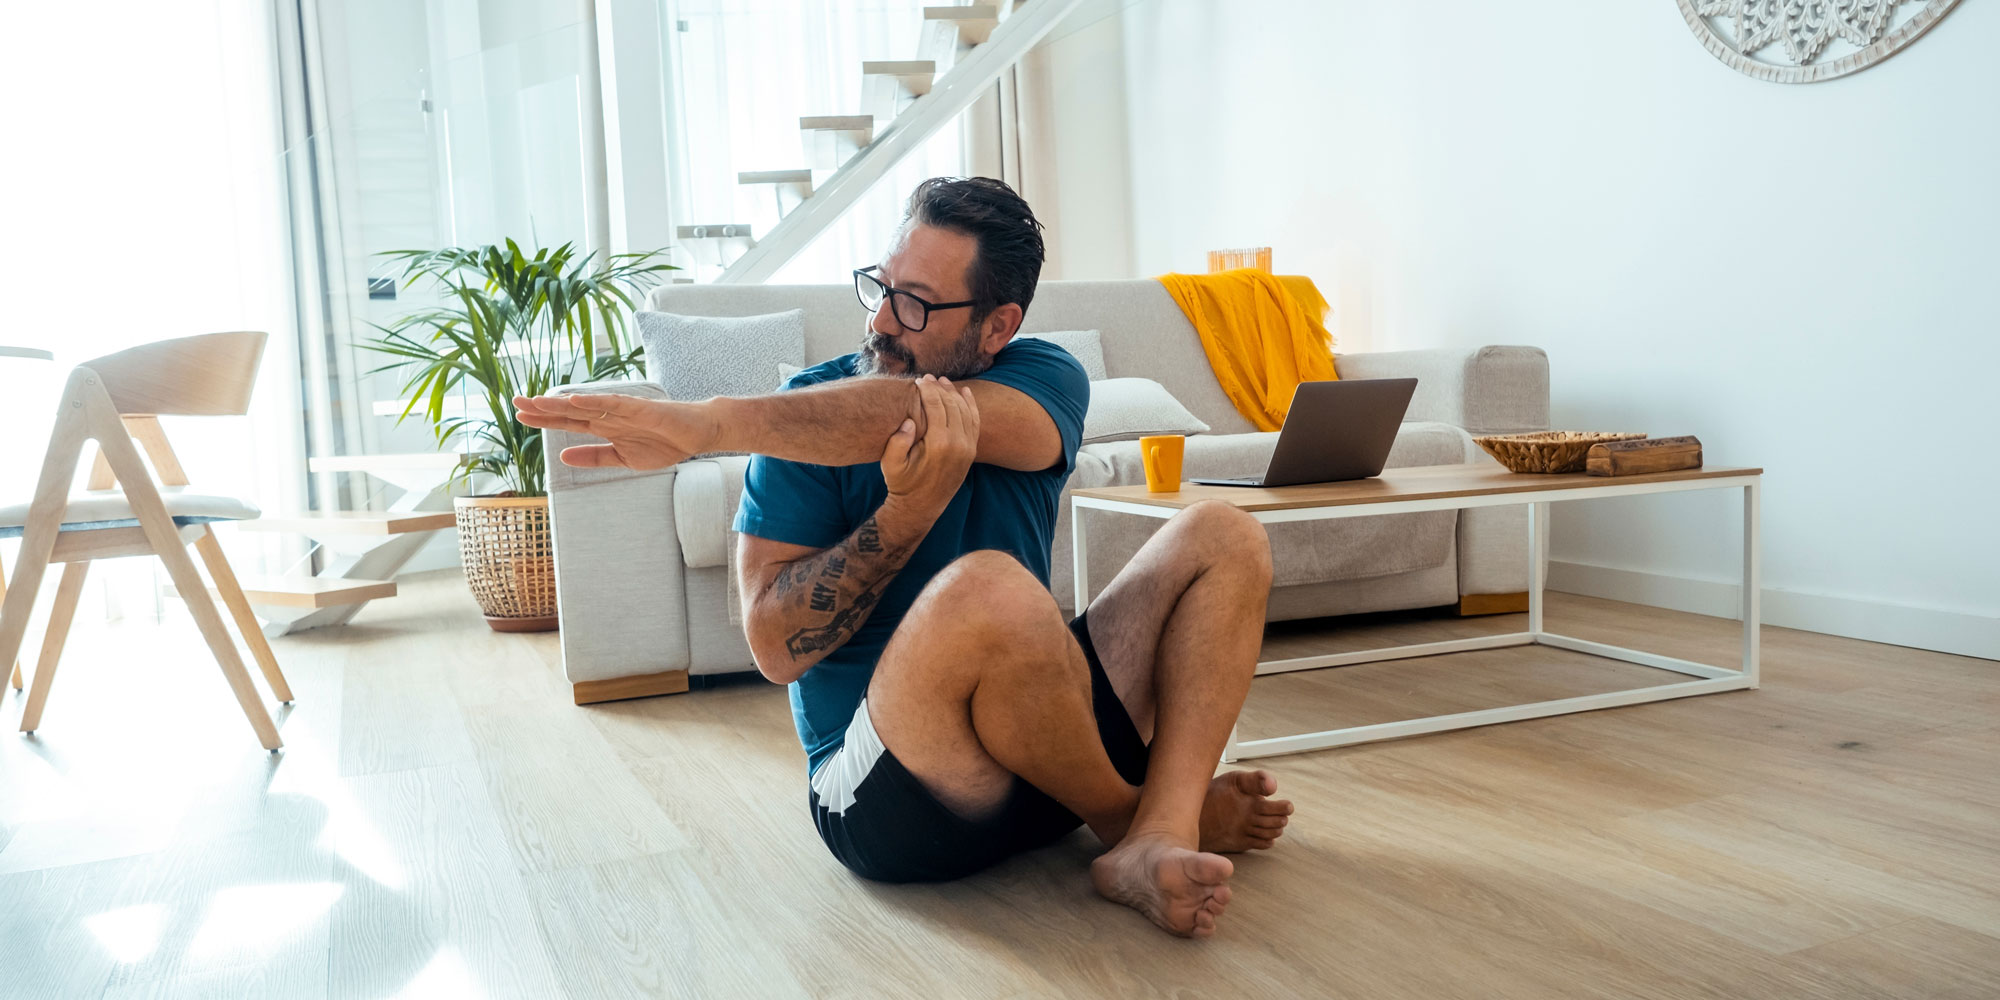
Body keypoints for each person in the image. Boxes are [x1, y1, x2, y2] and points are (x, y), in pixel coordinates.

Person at [514, 177, 1289, 938]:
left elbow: (918, 414)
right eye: (880, 287)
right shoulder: (798, 426)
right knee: (991, 591)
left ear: (997, 327)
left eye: (915, 302)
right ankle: (1140, 823)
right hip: (900, 798)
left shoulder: (1044, 376)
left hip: (1048, 748)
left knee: (1225, 533)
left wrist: (712, 424)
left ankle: (1161, 820)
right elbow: (774, 652)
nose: (883, 318)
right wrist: (907, 514)